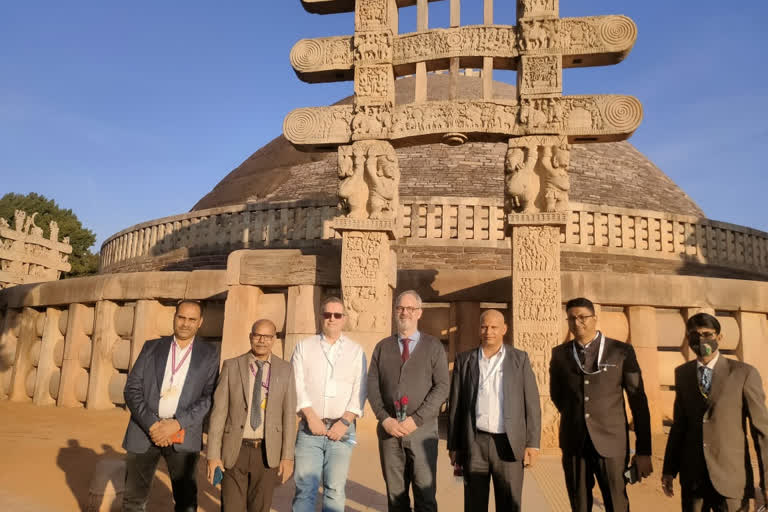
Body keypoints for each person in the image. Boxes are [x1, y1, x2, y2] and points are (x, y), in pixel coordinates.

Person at [549, 297, 653, 512]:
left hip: (611, 443)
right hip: (574, 441)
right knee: (579, 504)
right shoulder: (560, 354)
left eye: (582, 317)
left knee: (616, 503)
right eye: (571, 318)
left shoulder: (620, 351)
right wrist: (577, 417)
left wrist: (644, 450)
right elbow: (557, 395)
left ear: (595, 319)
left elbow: (638, 401)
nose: (577, 323)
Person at [662, 312, 768, 511]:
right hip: (693, 479)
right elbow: (679, 426)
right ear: (687, 339)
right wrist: (669, 469)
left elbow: (761, 431)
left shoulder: (743, 373)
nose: (701, 339)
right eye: (694, 335)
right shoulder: (683, 374)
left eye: (707, 334)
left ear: (719, 337)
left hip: (731, 479)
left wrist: (767, 481)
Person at [122, 300, 219, 512]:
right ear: (174, 317)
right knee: (133, 501)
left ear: (200, 322)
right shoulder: (151, 347)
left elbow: (209, 397)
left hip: (183, 434)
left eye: (192, 319)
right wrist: (154, 424)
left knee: (186, 503)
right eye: (181, 317)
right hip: (144, 431)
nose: (185, 323)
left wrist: (177, 423)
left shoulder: (210, 354)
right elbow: (132, 389)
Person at [447, 309, 541, 512]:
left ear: (504, 329)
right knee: (474, 503)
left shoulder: (519, 359)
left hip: (508, 444)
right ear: (479, 330)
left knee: (509, 503)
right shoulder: (465, 360)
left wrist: (532, 444)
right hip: (475, 443)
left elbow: (532, 403)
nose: (489, 331)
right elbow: (456, 405)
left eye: (494, 327)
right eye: (484, 326)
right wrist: (454, 445)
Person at [367, 290, 450, 512]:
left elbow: (442, 387)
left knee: (425, 495)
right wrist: (385, 419)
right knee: (396, 497)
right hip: (389, 432)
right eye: (400, 308)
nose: (405, 313)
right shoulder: (383, 347)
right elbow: (372, 387)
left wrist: (417, 419)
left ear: (419, 313)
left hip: (422, 431)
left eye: (410, 308)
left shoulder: (433, 347)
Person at [206, 319, 297, 512]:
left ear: (274, 339)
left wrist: (288, 456)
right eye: (257, 335)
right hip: (235, 449)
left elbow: (289, 415)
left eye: (267, 336)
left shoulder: (285, 369)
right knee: (231, 507)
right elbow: (218, 413)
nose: (262, 340)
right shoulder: (231, 366)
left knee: (260, 508)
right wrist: (213, 455)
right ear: (250, 337)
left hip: (266, 452)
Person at [291, 296, 367, 512]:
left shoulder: (356, 351)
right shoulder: (304, 347)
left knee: (335, 488)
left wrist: (345, 421)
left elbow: (360, 390)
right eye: (327, 314)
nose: (331, 319)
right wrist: (311, 416)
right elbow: (296, 383)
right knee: (305, 488)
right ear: (320, 316)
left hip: (342, 429)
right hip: (309, 429)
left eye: (337, 315)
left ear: (344, 319)